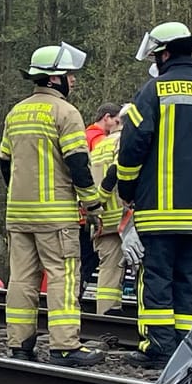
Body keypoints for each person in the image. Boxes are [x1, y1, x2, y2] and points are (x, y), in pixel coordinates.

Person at [113, 21, 192, 367]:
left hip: (159, 208)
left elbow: (132, 147)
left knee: (157, 278)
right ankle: (188, 352)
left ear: (165, 53)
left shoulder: (153, 90)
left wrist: (127, 189)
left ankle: (159, 348)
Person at [0, 44, 104, 367]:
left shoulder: (15, 113)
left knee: (21, 280)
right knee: (62, 277)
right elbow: (78, 165)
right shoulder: (66, 114)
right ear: (55, 78)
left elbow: (4, 162)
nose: (73, 81)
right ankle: (64, 346)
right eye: (70, 75)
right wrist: (94, 205)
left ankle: (19, 344)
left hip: (18, 215)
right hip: (56, 217)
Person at [80, 101, 124, 298]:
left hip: (96, 217)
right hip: (118, 215)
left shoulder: (93, 143)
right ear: (108, 118)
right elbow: (116, 172)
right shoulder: (105, 140)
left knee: (102, 268)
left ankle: (101, 313)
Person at [87, 121, 129, 315]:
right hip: (124, 217)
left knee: (109, 271)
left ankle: (105, 317)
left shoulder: (100, 145)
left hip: (103, 219)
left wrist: (94, 206)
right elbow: (117, 170)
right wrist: (102, 197)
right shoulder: (125, 141)